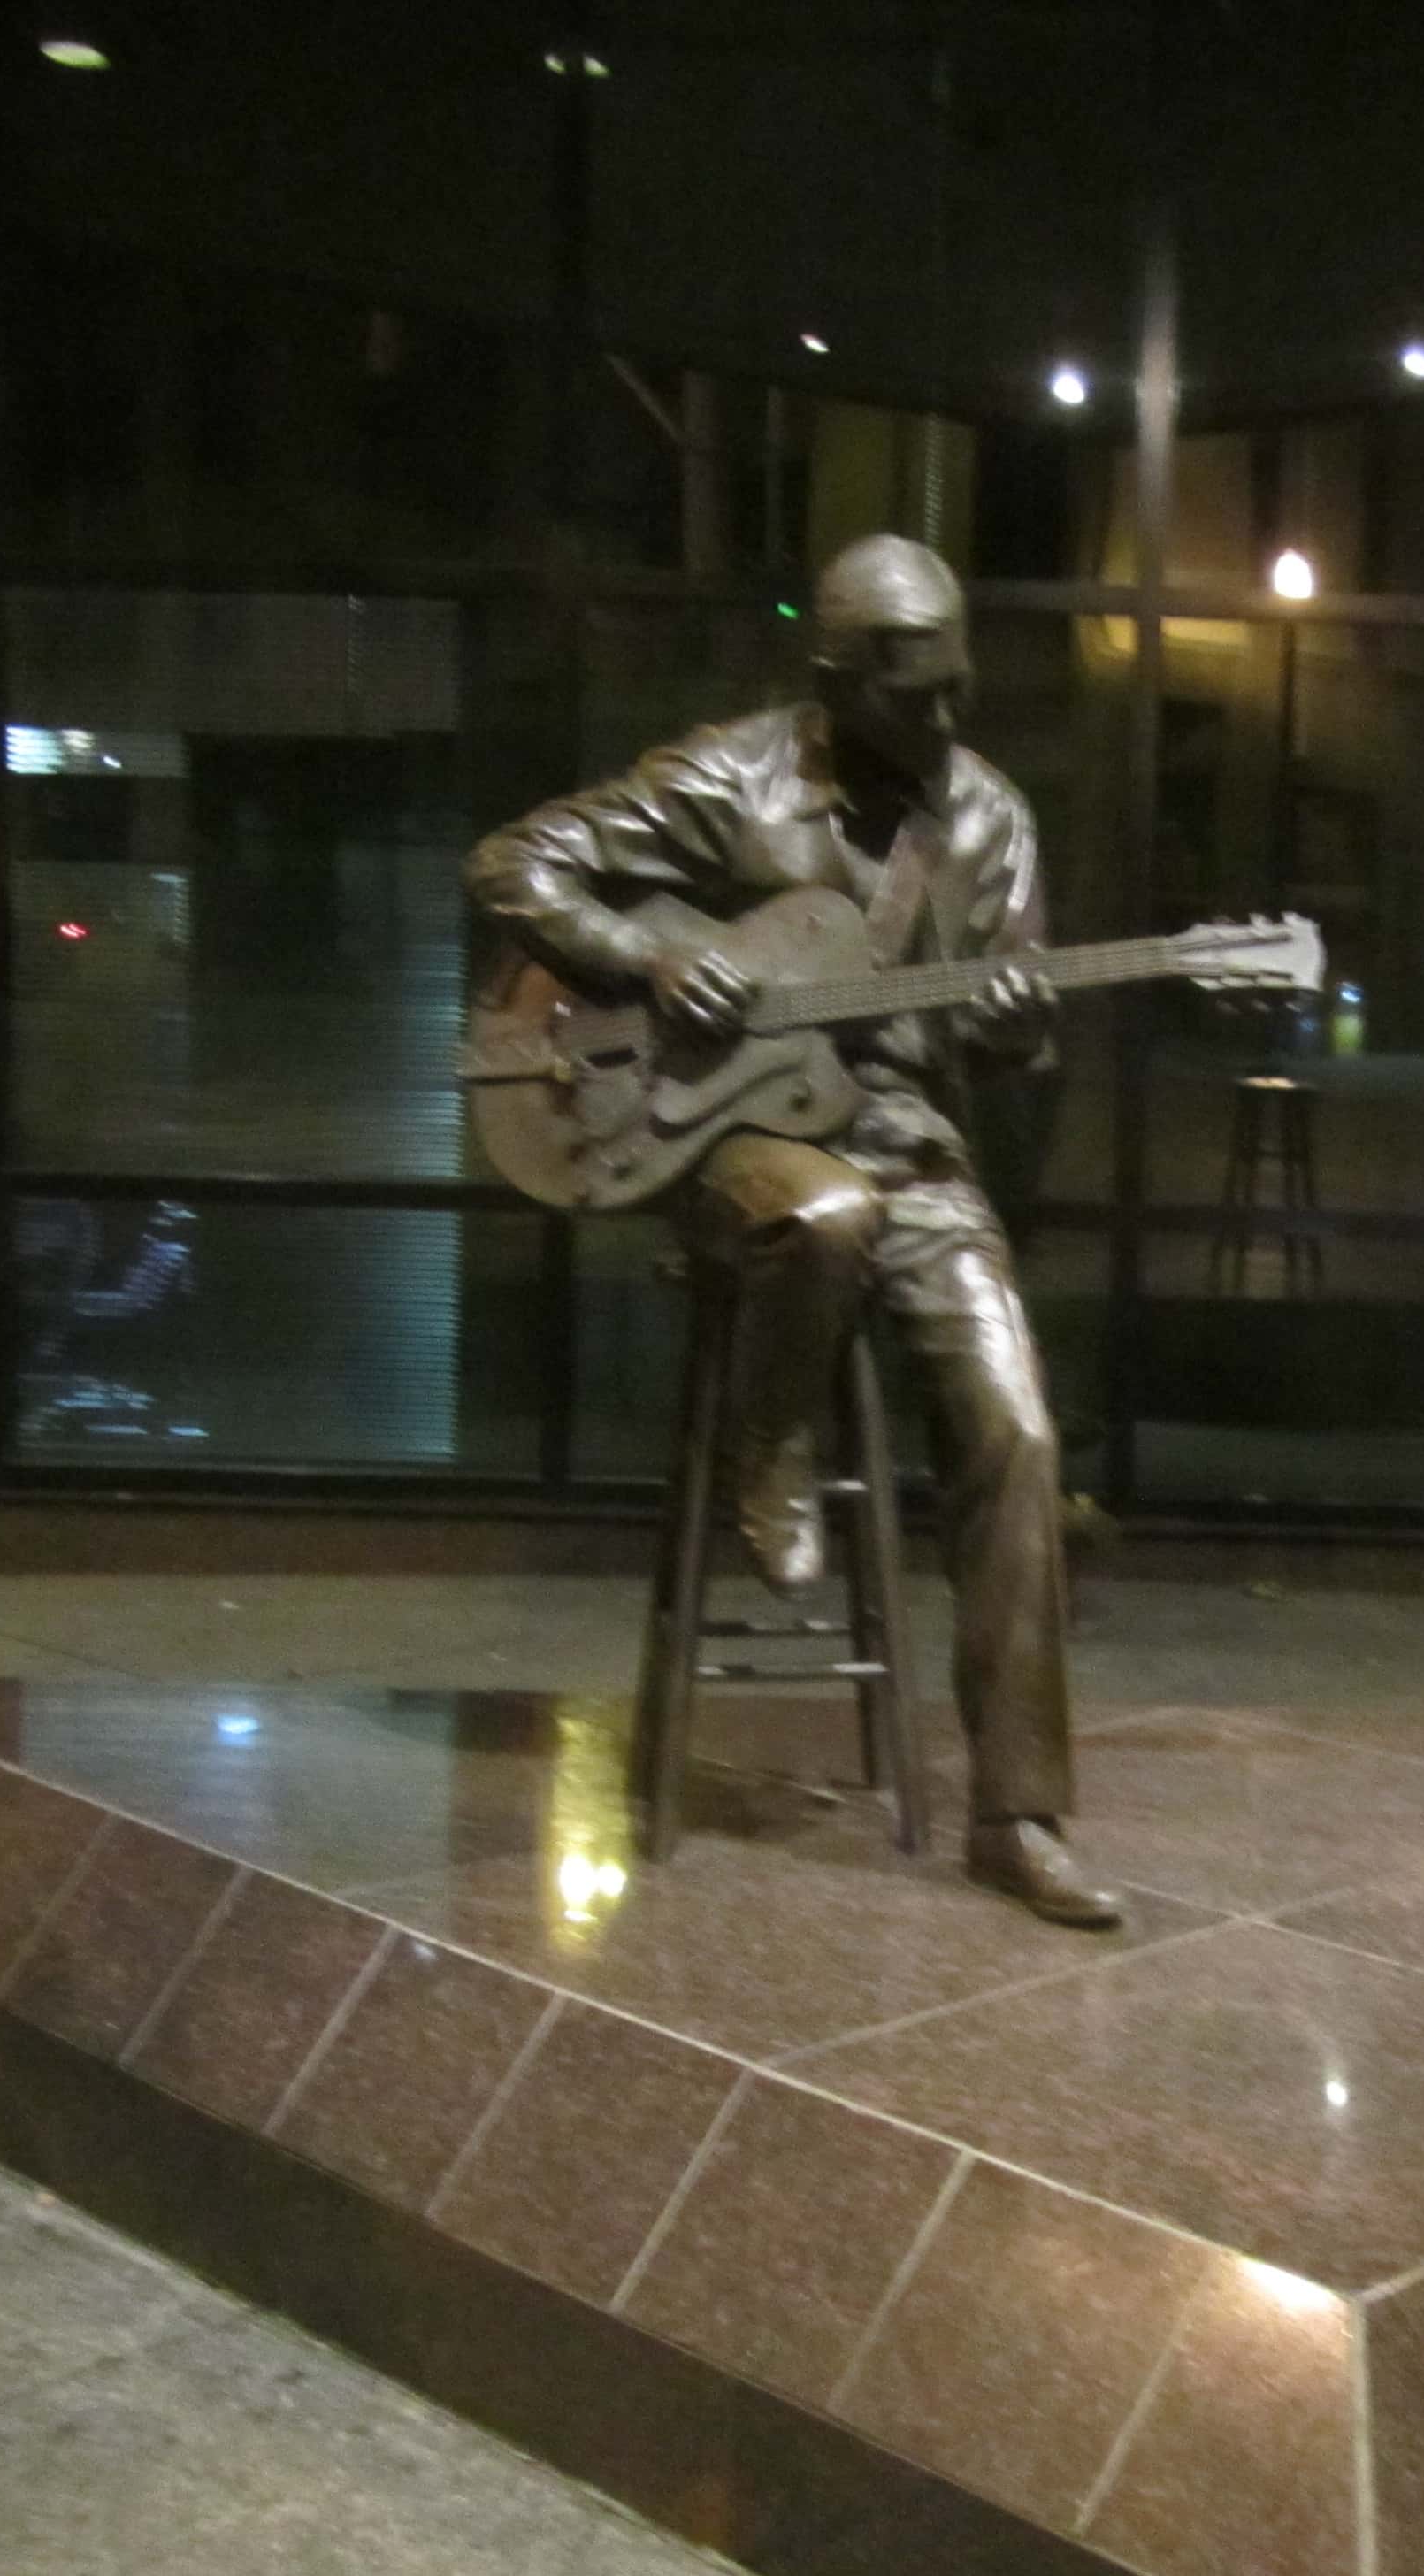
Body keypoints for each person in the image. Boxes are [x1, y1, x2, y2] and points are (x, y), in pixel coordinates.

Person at [462, 534, 1118, 1928]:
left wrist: (1023, 1028)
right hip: (743, 1145)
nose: (942, 725)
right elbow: (515, 865)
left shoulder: (991, 821)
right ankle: (767, 1442)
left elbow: (1008, 1062)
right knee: (822, 1214)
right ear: (835, 682)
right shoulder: (733, 774)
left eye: (956, 692)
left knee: (1019, 1431)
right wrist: (654, 954)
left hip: (912, 1149)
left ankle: (1021, 1816)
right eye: (909, 699)